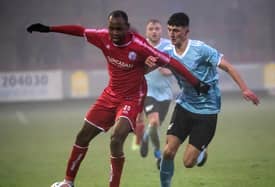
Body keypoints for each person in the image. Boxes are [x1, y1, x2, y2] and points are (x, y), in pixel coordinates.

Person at [26, 10, 209, 187]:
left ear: (127, 28)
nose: (114, 32)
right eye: (112, 28)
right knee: (82, 136)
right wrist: (49, 28)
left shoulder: (139, 46)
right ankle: (68, 182)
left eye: (119, 28)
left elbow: (172, 62)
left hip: (132, 97)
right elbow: (80, 31)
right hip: (110, 95)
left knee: (116, 138)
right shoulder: (103, 37)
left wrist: (196, 83)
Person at [145, 12, 260, 187]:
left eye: (176, 30)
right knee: (168, 152)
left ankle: (201, 151)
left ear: (186, 31)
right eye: (169, 30)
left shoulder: (201, 49)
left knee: (188, 163)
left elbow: (227, 66)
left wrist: (245, 89)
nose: (172, 34)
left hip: (208, 110)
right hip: (184, 105)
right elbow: (146, 68)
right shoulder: (167, 52)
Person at [131, 19, 174, 170]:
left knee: (154, 127)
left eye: (156, 28)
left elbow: (177, 66)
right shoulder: (141, 46)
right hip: (148, 92)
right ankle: (158, 154)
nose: (154, 31)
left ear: (161, 31)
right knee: (154, 122)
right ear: (146, 31)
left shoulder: (169, 46)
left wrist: (168, 71)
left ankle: (145, 137)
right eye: (151, 29)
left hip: (166, 94)